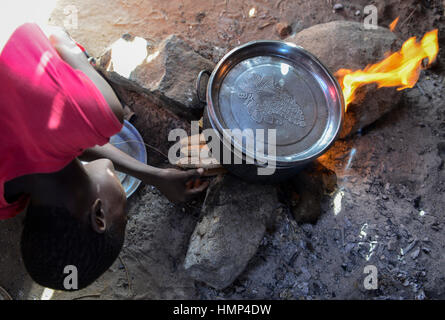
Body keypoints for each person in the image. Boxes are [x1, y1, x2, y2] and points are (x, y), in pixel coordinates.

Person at [0, 23, 209, 291]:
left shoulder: (102, 114)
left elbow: (59, 38)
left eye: (123, 218)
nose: (124, 214)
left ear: (100, 214)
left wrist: (76, 55)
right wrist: (154, 175)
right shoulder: (6, 203)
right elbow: (60, 146)